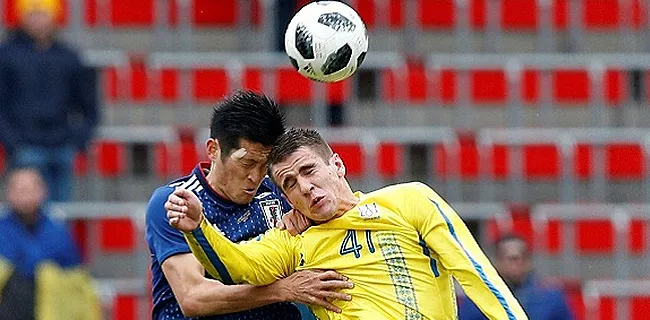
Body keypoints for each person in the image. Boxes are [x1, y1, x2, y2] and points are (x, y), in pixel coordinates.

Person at [166, 127, 528, 319]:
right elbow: (235, 266)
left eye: (309, 171)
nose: (305, 187)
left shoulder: (409, 201)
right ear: (285, 197)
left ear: (336, 165)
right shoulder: (293, 242)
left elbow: (475, 273)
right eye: (290, 184)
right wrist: (199, 227)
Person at [145, 90, 352, 320]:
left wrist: (309, 218)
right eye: (247, 163)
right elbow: (193, 297)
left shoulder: (280, 192)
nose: (255, 176)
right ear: (214, 150)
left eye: (264, 165)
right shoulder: (179, 202)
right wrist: (282, 290)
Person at [0, 0, 99, 202]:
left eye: (43, 13)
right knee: (24, 210)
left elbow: (88, 104)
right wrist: (13, 142)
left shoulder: (69, 57)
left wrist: (76, 140)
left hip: (61, 146)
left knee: (59, 217)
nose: (38, 20)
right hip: (24, 147)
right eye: (32, 14)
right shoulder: (6, 55)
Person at [0, 168, 84, 319]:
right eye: (20, 190)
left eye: (30, 189)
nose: (25, 196)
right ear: (8, 193)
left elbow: (74, 272)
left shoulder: (58, 231)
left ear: (43, 192)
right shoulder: (2, 229)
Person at [459, 234, 574, 320]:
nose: (519, 262)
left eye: (523, 256)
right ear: (497, 262)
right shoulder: (478, 299)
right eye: (512, 258)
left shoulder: (551, 298)